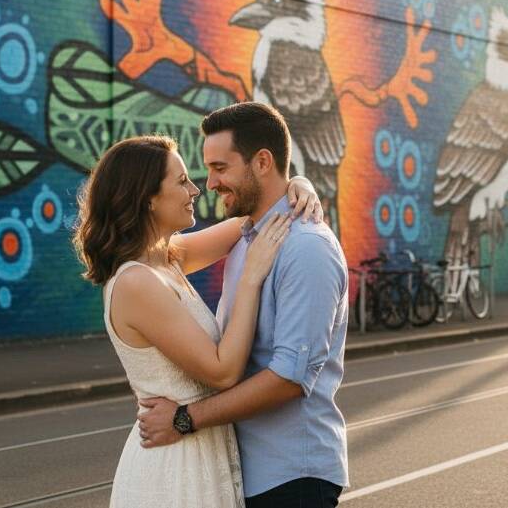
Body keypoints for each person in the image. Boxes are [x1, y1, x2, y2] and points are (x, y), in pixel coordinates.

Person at [72, 133, 323, 508]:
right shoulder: (136, 282)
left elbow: (258, 217)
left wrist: (298, 185)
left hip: (198, 447)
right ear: (148, 199)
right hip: (175, 464)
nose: (195, 189)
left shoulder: (166, 259)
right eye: (181, 181)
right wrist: (251, 278)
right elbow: (223, 373)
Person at [137, 102, 349, 508]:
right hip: (247, 474)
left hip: (292, 476)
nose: (209, 183)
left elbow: (289, 378)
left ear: (263, 162)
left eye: (220, 168)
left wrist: (184, 419)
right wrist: (297, 181)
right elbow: (156, 255)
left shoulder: (307, 248)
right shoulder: (247, 238)